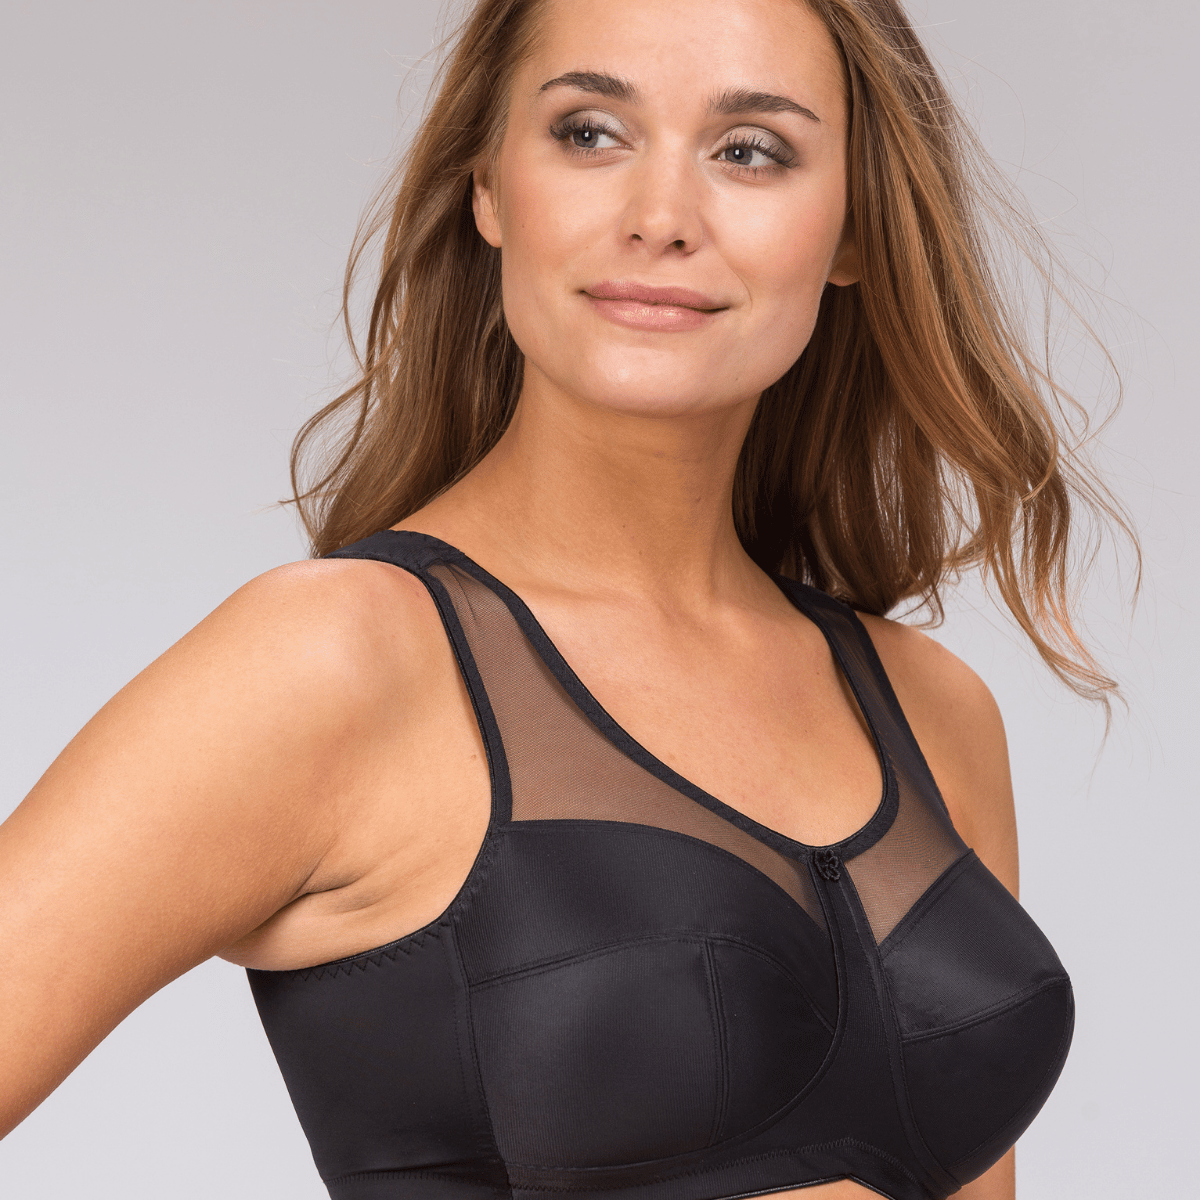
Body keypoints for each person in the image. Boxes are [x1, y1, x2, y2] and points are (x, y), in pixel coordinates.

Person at [0, 0, 1131, 1197]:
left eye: (751, 150)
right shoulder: (336, 661)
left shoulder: (935, 712)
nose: (661, 215)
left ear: (854, 226)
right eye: (590, 132)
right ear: (490, 188)